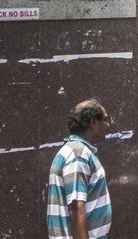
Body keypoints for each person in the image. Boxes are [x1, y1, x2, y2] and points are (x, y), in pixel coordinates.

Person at [47, 99, 113, 239]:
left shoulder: (73, 151)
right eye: (105, 120)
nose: (108, 125)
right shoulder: (78, 154)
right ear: (93, 122)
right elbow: (77, 208)